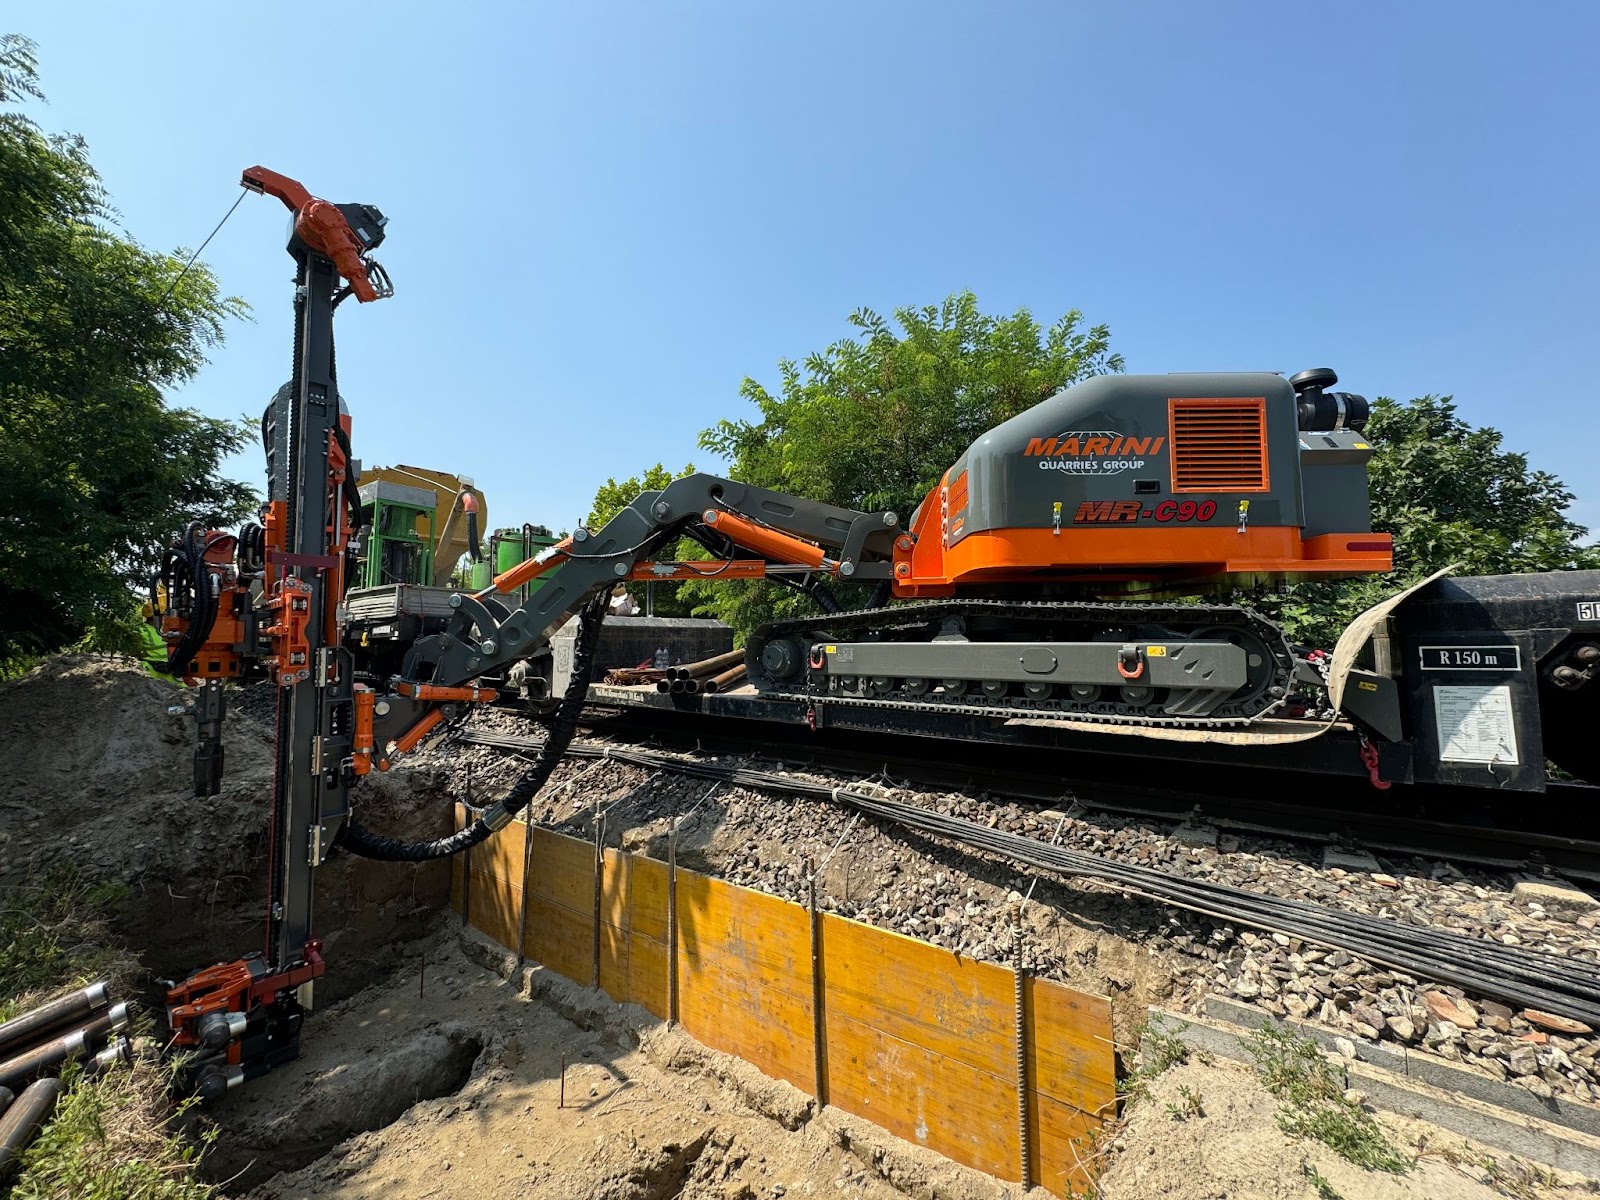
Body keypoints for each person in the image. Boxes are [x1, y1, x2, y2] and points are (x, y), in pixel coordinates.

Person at [138, 601, 169, 677]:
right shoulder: (141, 631)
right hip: (151, 669)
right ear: (156, 617)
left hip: (165, 667)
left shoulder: (161, 630)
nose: (163, 618)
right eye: (162, 616)